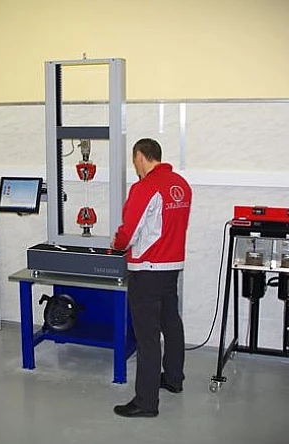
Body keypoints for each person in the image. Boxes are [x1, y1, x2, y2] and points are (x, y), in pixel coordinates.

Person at [111, 138, 192, 418]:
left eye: (134, 160)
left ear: (140, 156)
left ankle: (146, 402)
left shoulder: (145, 187)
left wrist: (117, 245)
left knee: (146, 336)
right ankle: (173, 378)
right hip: (171, 266)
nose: (135, 166)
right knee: (171, 323)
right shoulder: (181, 185)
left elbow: (129, 231)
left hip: (147, 269)